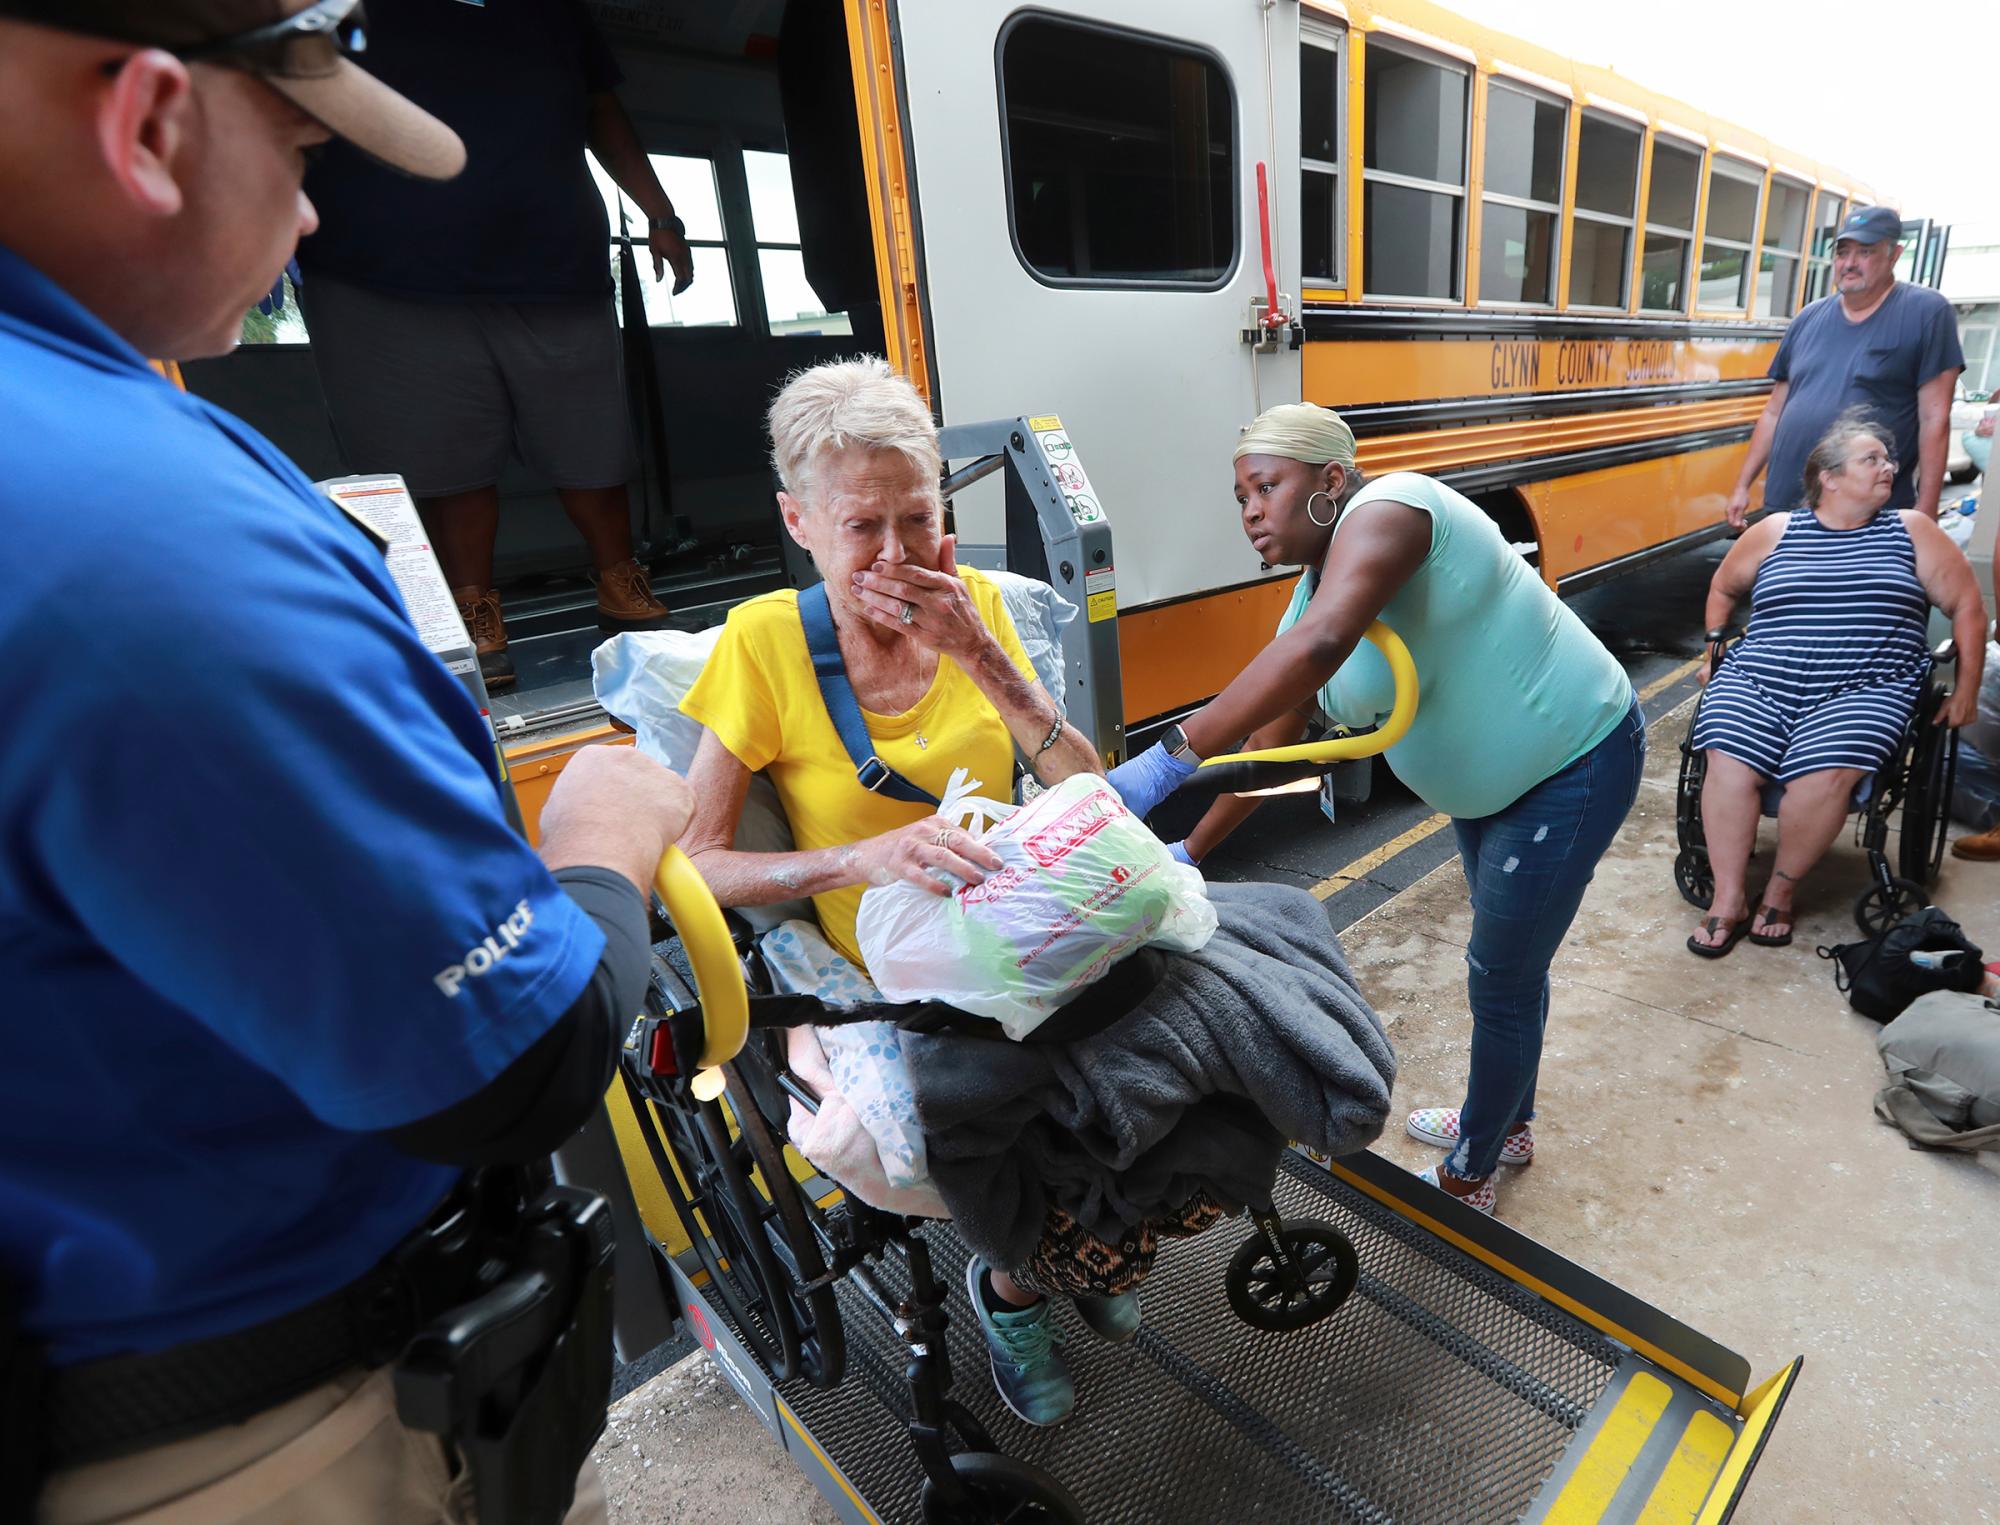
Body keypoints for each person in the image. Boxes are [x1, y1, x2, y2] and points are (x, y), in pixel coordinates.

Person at [0, 4, 694, 1519]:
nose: (313, 210)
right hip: (224, 1424)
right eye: (307, 148)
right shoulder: (132, 531)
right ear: (149, 126)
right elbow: (512, 1070)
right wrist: (603, 840)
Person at [674, 356, 1165, 1427]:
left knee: (1165, 1045)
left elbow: (1088, 795)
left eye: (916, 518)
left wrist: (980, 652)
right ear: (797, 521)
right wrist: (857, 859)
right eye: (861, 527)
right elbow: (698, 862)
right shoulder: (765, 643)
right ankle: (1015, 1287)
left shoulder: (971, 603)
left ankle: (1076, 1252)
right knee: (954, 1122)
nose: (895, 555)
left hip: (1018, 926)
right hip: (878, 968)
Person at [1106, 403, 1647, 1217]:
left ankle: (1473, 1169)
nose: (1250, 510)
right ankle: (1510, 1124)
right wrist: (1192, 847)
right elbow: (1276, 737)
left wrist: (1168, 756)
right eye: (1239, 496)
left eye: (1265, 486)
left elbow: (1323, 647)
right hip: (1493, 787)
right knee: (1511, 964)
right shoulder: (1313, 587)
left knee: (1501, 975)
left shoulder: (1394, 508)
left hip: (1571, 759)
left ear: (1330, 479)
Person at [296, 0, 697, 692]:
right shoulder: (332, 9)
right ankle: (475, 611)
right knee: (445, 458)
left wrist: (661, 214)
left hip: (553, 264)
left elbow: (601, 110)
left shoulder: (554, 14)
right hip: (386, 273)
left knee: (591, 443)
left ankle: (618, 580)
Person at [1689, 414, 1985, 953]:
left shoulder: (1911, 529)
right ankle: (1727, 897)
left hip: (1867, 685)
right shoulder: (1775, 530)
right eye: (1871, 459)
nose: (1888, 468)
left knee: (1823, 775)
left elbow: (1966, 605)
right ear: (1828, 478)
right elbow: (1723, 587)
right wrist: (1715, 651)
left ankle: (1780, 891)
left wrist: (1965, 689)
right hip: (1762, 676)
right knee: (1727, 752)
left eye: (1888, 460)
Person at [1725, 205, 1963, 530]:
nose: (1849, 263)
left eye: (1865, 252)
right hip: (1787, 506)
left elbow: (1934, 418)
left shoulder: (1927, 313)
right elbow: (1773, 412)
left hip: (1868, 513)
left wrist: (1927, 507)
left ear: (1894, 254)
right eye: (1843, 252)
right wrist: (1743, 485)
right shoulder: (1808, 318)